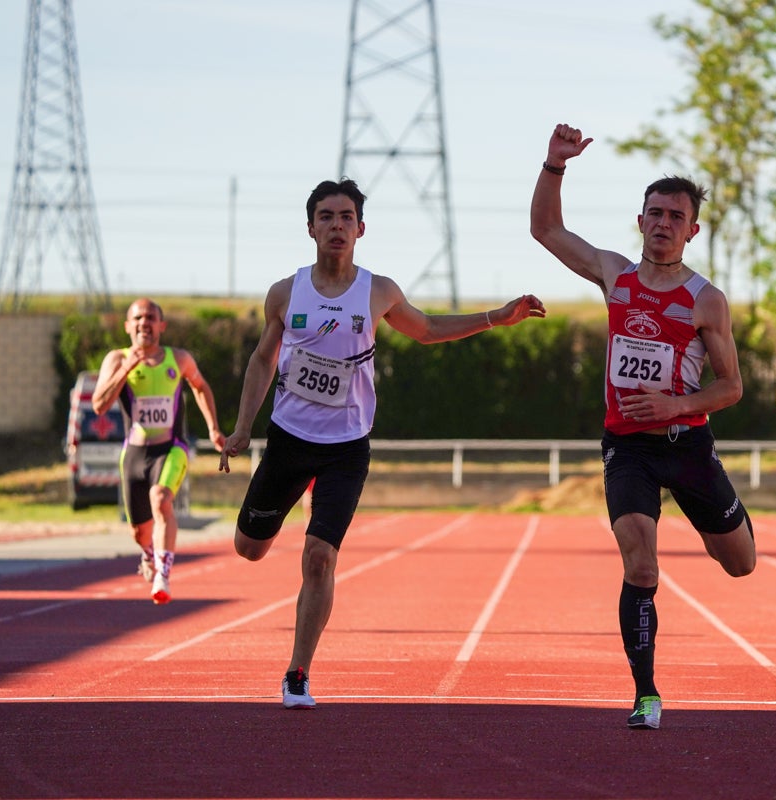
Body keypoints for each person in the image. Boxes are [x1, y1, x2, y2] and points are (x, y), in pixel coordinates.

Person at [218, 178, 545, 710]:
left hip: (347, 446)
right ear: (311, 228)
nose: (337, 226)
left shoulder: (377, 291)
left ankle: (298, 672)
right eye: (326, 217)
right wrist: (241, 428)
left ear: (361, 229)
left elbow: (429, 328)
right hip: (289, 440)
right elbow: (262, 361)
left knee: (319, 557)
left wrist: (496, 317)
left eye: (347, 217)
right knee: (249, 549)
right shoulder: (285, 292)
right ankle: (273, 519)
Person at [531, 123, 756, 731]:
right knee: (641, 565)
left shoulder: (706, 301)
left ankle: (727, 512)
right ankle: (647, 693)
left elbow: (731, 387)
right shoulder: (615, 276)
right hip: (626, 448)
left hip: (687, 446)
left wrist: (675, 406)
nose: (662, 223)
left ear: (692, 230)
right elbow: (547, 231)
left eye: (675, 216)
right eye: (654, 213)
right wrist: (555, 166)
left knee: (741, 564)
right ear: (640, 220)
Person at [92, 298, 226, 605]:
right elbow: (99, 405)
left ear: (161, 326)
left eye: (151, 317)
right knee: (139, 531)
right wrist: (127, 368)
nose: (144, 323)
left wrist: (214, 428)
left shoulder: (178, 359)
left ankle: (163, 573)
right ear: (128, 326)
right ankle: (149, 553)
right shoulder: (116, 359)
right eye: (138, 318)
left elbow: (201, 386)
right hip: (135, 454)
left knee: (161, 499)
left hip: (171, 448)